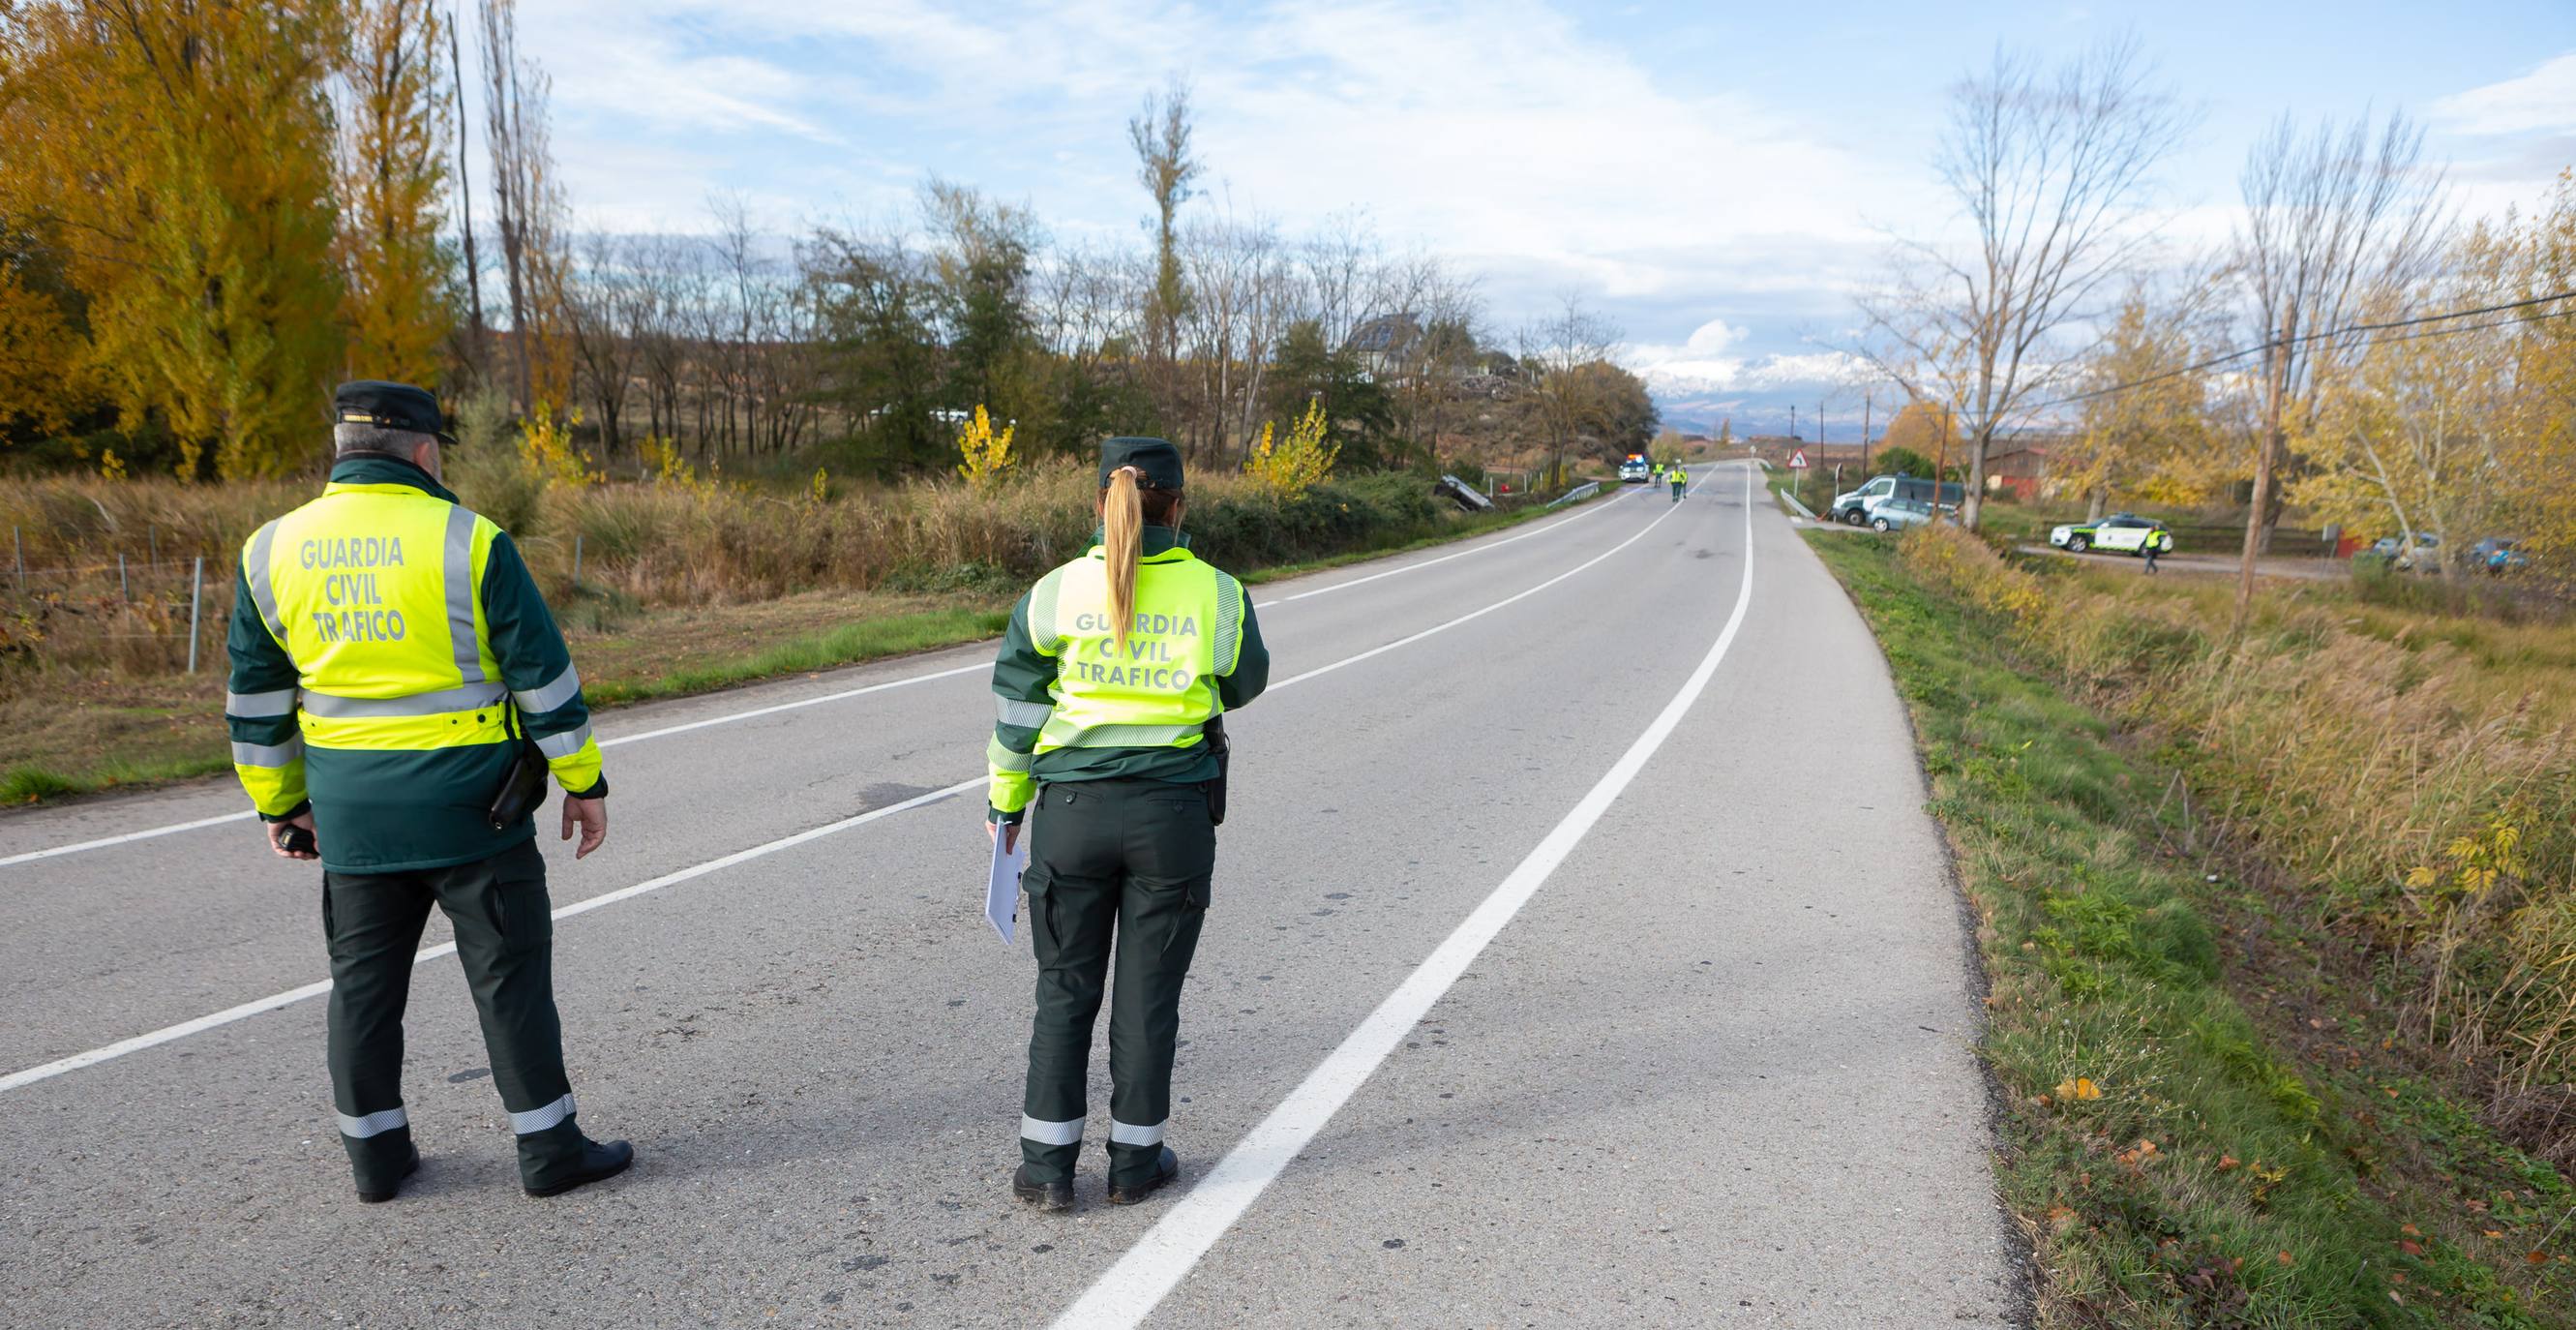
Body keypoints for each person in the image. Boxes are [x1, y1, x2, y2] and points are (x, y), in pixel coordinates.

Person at [225, 380, 632, 1204]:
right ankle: (548, 1149)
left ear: (341, 451)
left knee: (364, 990)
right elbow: (544, 683)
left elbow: (256, 703)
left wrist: (280, 805)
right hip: (474, 815)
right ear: (423, 452)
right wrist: (584, 783)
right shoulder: (470, 542)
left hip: (351, 819)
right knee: (510, 978)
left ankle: (376, 1162)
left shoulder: (268, 551)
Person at [985, 437, 1270, 1211]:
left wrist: (1005, 806)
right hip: (1171, 817)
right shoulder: (1216, 592)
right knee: (1148, 999)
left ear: (1096, 505)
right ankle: (1135, 1164)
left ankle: (1046, 1168)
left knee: (1064, 990)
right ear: (1179, 505)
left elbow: (1017, 714)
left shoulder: (1051, 592)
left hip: (1069, 816)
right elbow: (1244, 683)